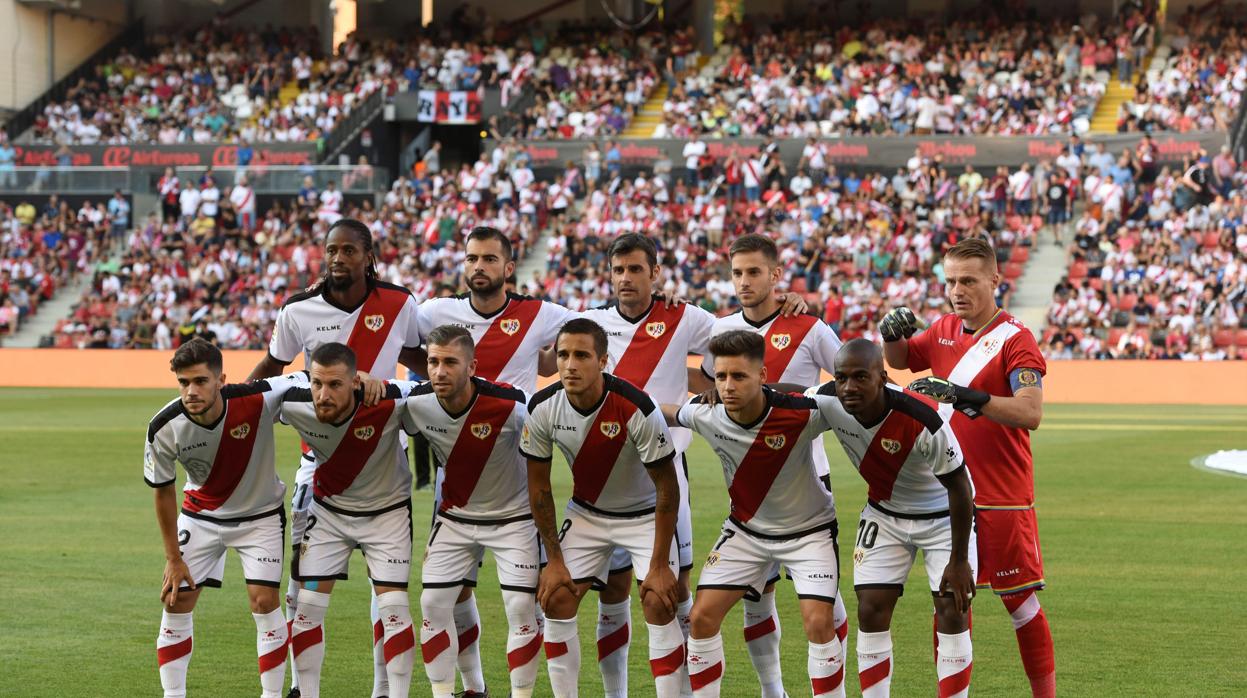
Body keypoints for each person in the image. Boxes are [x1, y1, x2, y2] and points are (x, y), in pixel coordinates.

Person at [247, 218, 424, 698]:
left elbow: (420, 359)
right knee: (301, 592)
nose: (338, 259)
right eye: (331, 250)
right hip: (318, 468)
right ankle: (300, 689)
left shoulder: (400, 303)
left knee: (387, 595)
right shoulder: (298, 310)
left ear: (368, 255)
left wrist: (420, 394)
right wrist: (233, 407)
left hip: (385, 461)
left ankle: (385, 689)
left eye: (349, 250)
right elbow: (272, 369)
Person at [881, 237, 1053, 697]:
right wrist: (890, 334)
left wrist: (968, 397)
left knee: (1019, 603)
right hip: (946, 496)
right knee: (952, 606)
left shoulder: (1016, 339)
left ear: (995, 280)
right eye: (951, 281)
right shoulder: (941, 329)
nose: (958, 290)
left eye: (969, 281)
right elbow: (899, 362)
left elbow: (1030, 412)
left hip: (1001, 495)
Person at [415, 225, 569, 696]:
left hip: (514, 482)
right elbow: (389, 330)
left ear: (508, 267)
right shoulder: (436, 312)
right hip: (457, 485)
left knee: (522, 609)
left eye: (488, 259)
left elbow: (600, 330)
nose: (478, 266)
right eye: (471, 258)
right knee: (449, 596)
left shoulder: (539, 313)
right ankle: (473, 686)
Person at [659, 330, 846, 698]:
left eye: (739, 376)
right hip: (745, 534)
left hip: (809, 534)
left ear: (762, 376)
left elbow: (844, 394)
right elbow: (664, 412)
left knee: (818, 622)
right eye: (722, 377)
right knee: (701, 618)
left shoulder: (799, 413)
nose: (727, 386)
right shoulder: (707, 414)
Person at [699, 233, 847, 697]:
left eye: (754, 272)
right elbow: (709, 386)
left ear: (776, 275)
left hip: (805, 478)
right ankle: (773, 690)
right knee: (755, 599)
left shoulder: (808, 326)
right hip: (744, 484)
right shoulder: (719, 330)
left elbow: (847, 379)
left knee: (825, 604)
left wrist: (782, 396)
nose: (744, 281)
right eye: (737, 273)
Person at [520, 318, 683, 697]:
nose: (570, 364)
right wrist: (554, 560)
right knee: (557, 597)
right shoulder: (543, 407)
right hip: (588, 514)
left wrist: (658, 564)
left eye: (581, 355)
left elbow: (667, 488)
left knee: (660, 602)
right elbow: (539, 487)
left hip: (644, 515)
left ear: (603, 360)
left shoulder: (636, 406)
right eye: (562, 355)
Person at [144, 338, 309, 698]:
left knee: (264, 602)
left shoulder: (256, 398)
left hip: (260, 517)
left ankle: (271, 695)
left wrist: (359, 378)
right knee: (176, 600)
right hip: (201, 517)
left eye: (201, 381)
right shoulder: (164, 427)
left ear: (221, 380)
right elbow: (162, 493)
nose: (191, 391)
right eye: (184, 382)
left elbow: (309, 377)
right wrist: (173, 559)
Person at [821, 339, 976, 697]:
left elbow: (960, 488)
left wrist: (959, 559)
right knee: (871, 610)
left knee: (951, 610)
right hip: (885, 515)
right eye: (842, 377)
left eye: (861, 377)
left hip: (942, 516)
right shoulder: (830, 399)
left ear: (883, 377)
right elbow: (790, 397)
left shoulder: (922, 418)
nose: (849, 387)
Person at [400, 326, 541, 698]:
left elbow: (548, 442)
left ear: (472, 366)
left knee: (521, 607)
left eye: (450, 362)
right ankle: (454, 692)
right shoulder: (417, 403)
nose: (439, 371)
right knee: (432, 604)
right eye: (432, 362)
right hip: (455, 519)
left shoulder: (512, 405)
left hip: (514, 519)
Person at [279, 343, 419, 698]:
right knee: (307, 608)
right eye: (317, 384)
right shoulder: (294, 402)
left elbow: (439, 392)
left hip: (386, 516)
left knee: (394, 609)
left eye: (335, 385)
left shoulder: (390, 398)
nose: (323, 395)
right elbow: (247, 397)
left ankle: (391, 693)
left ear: (356, 382)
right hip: (329, 514)